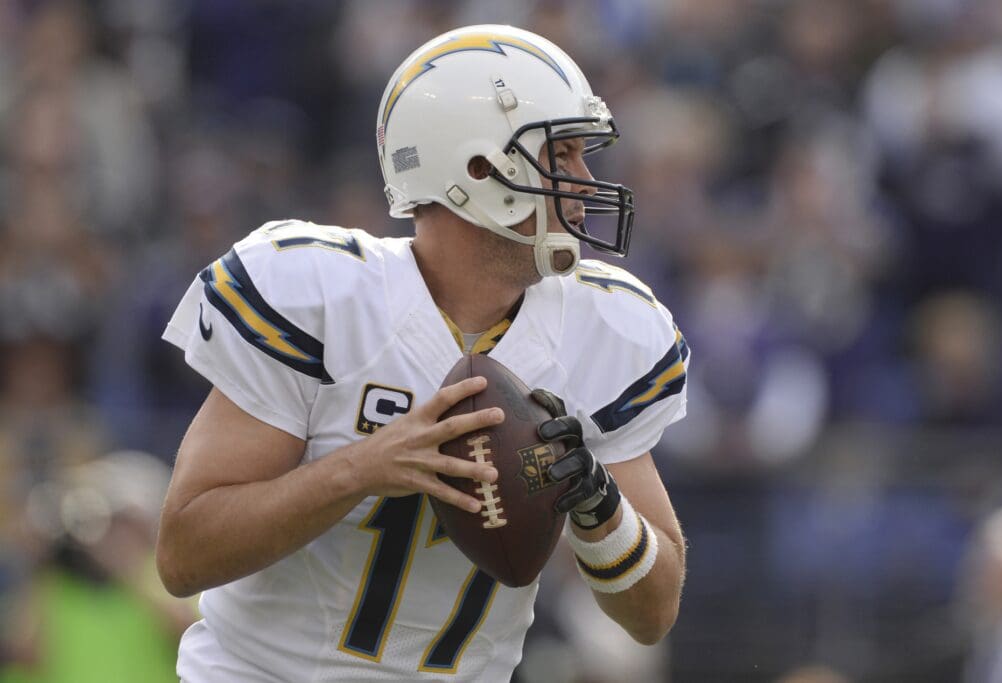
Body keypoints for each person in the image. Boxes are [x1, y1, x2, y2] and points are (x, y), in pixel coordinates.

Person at [157, 24, 689, 682]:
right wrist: (362, 468)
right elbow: (183, 554)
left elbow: (653, 612)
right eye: (565, 153)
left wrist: (598, 503)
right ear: (476, 169)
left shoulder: (606, 326)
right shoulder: (317, 296)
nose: (585, 181)